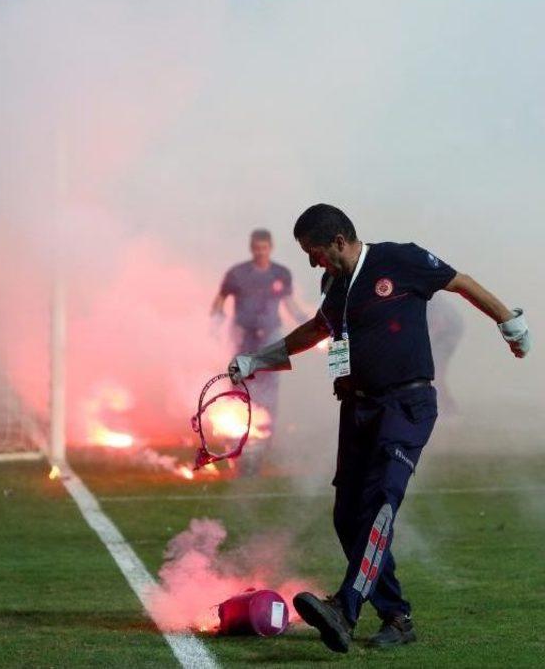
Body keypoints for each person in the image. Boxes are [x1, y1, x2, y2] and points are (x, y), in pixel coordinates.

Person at [228, 204, 530, 653]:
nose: (313, 263)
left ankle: (344, 609)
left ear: (338, 241)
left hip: (405, 405)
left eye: (314, 252)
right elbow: (314, 330)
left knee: (379, 505)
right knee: (347, 515)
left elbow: (460, 282)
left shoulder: (399, 260)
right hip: (357, 409)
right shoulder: (337, 286)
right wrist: (256, 360)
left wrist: (510, 321)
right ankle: (396, 616)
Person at [211, 229, 307, 473]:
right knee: (239, 385)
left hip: (271, 338)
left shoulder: (281, 274)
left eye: (264, 248)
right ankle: (235, 439)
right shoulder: (237, 273)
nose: (260, 252)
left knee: (269, 390)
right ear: (251, 247)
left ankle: (263, 442)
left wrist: (307, 322)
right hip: (243, 336)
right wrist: (215, 322)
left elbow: (289, 303)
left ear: (270, 247)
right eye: (256, 248)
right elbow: (220, 298)